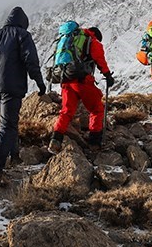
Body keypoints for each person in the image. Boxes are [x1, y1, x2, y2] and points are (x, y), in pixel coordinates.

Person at [0, 6, 47, 187]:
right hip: (11, 87)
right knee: (8, 126)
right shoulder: (23, 35)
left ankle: (14, 156)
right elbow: (31, 59)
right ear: (24, 23)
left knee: (9, 122)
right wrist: (39, 82)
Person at [48, 26, 114, 154]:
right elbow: (100, 60)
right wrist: (108, 75)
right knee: (96, 109)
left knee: (66, 111)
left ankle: (55, 141)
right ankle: (94, 143)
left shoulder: (69, 40)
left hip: (66, 80)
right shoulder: (92, 41)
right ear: (95, 35)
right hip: (82, 81)